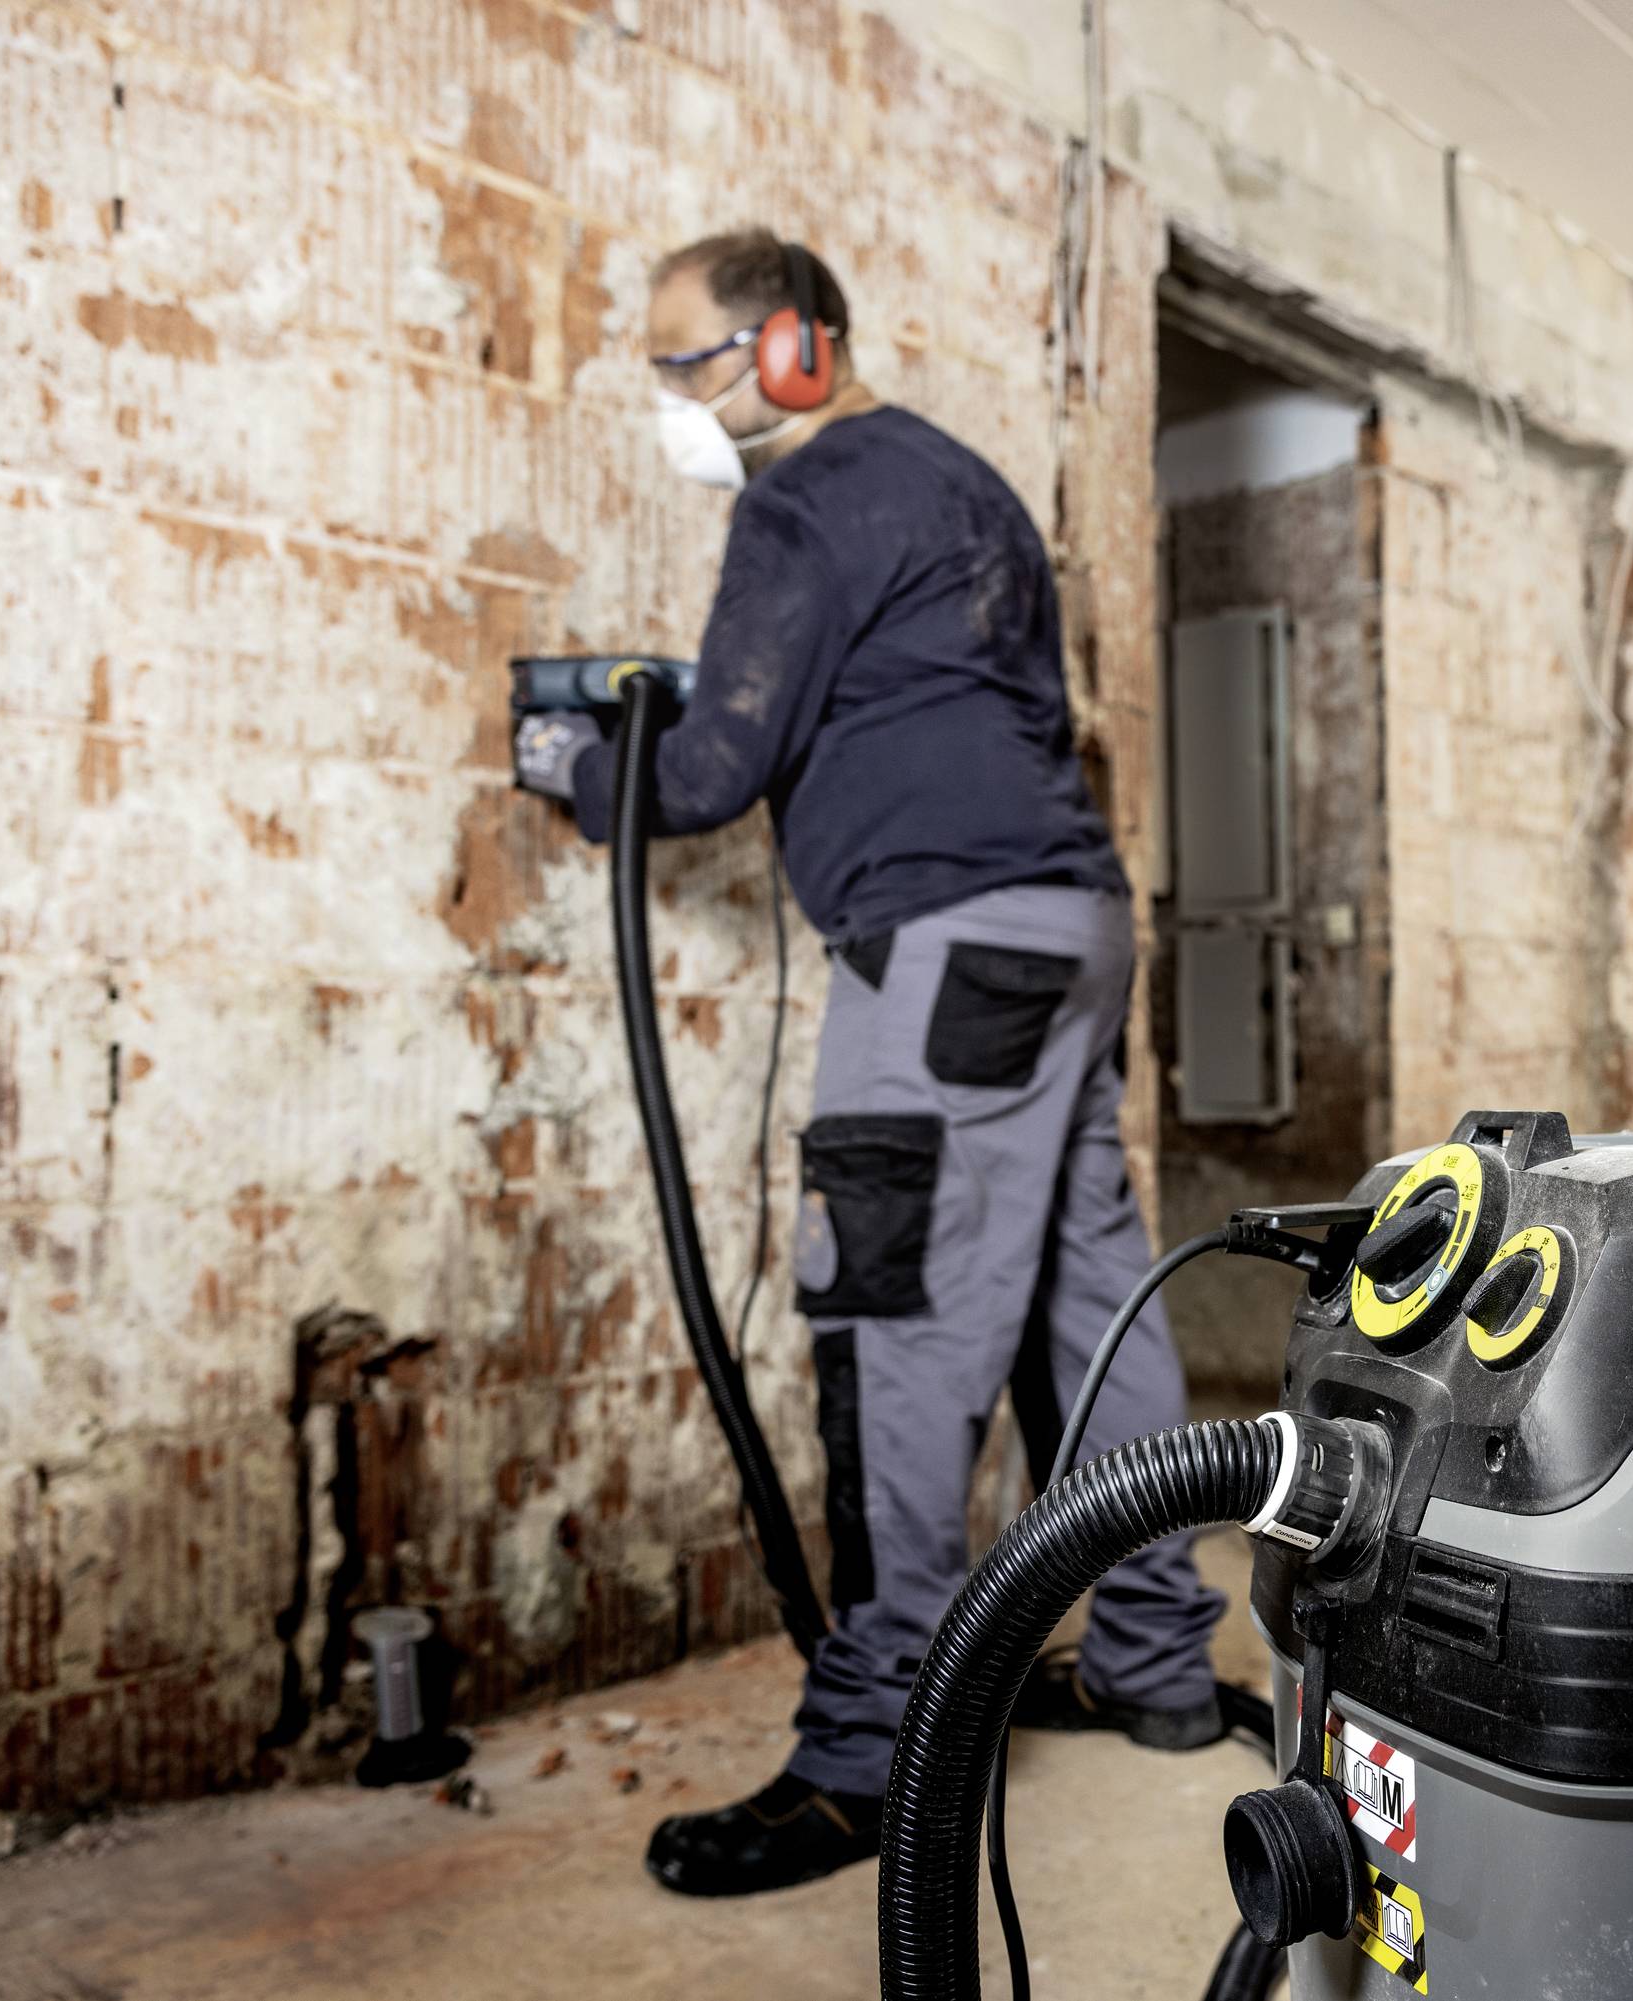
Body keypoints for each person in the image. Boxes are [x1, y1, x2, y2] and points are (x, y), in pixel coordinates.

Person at [513, 229, 1230, 1897]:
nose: (676, 405)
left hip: (947, 949)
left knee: (895, 1326)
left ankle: (870, 1749)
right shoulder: (964, 484)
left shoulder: (803, 502)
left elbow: (705, 768)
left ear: (788, 356)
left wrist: (568, 749)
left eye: (687, 367)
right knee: (1086, 1299)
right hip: (1070, 928)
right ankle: (1157, 1662)